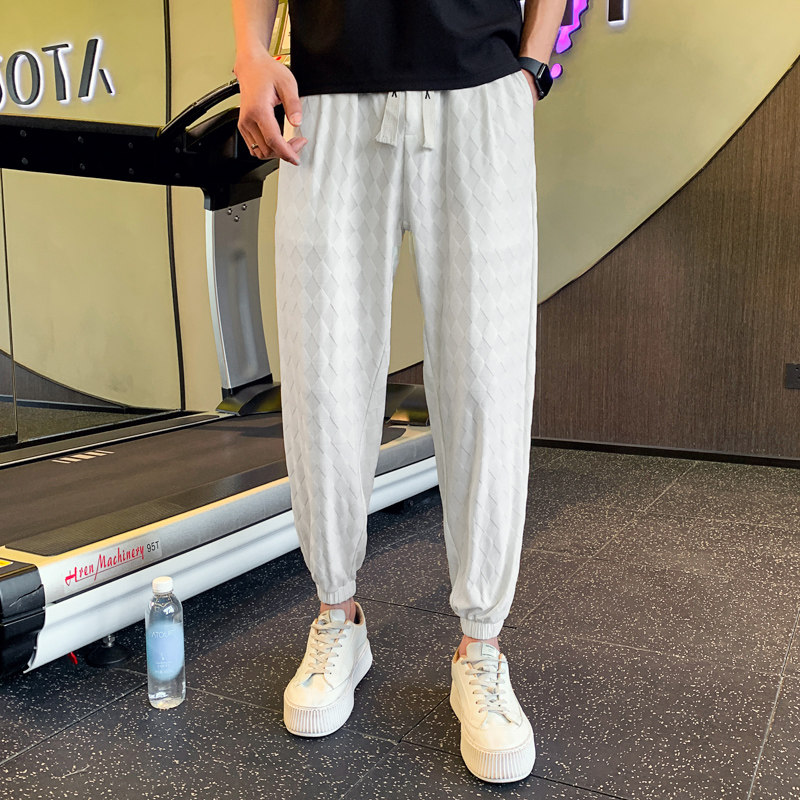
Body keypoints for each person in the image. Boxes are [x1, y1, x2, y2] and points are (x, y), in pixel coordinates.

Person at [231, 0, 566, 784]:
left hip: (480, 90)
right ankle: (336, 615)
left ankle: (480, 646)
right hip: (326, 100)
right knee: (322, 378)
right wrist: (250, 51)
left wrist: (531, 65)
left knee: (487, 381)